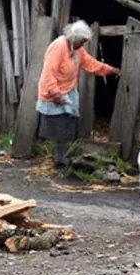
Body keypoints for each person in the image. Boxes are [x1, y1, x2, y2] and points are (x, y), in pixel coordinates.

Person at [36, 20, 121, 168]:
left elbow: (89, 63)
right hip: (54, 91)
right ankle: (59, 158)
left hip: (68, 90)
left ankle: (61, 156)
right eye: (82, 41)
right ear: (75, 38)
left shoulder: (76, 49)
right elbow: (48, 73)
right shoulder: (59, 47)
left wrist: (109, 70)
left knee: (68, 123)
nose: (83, 44)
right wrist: (55, 93)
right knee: (59, 126)